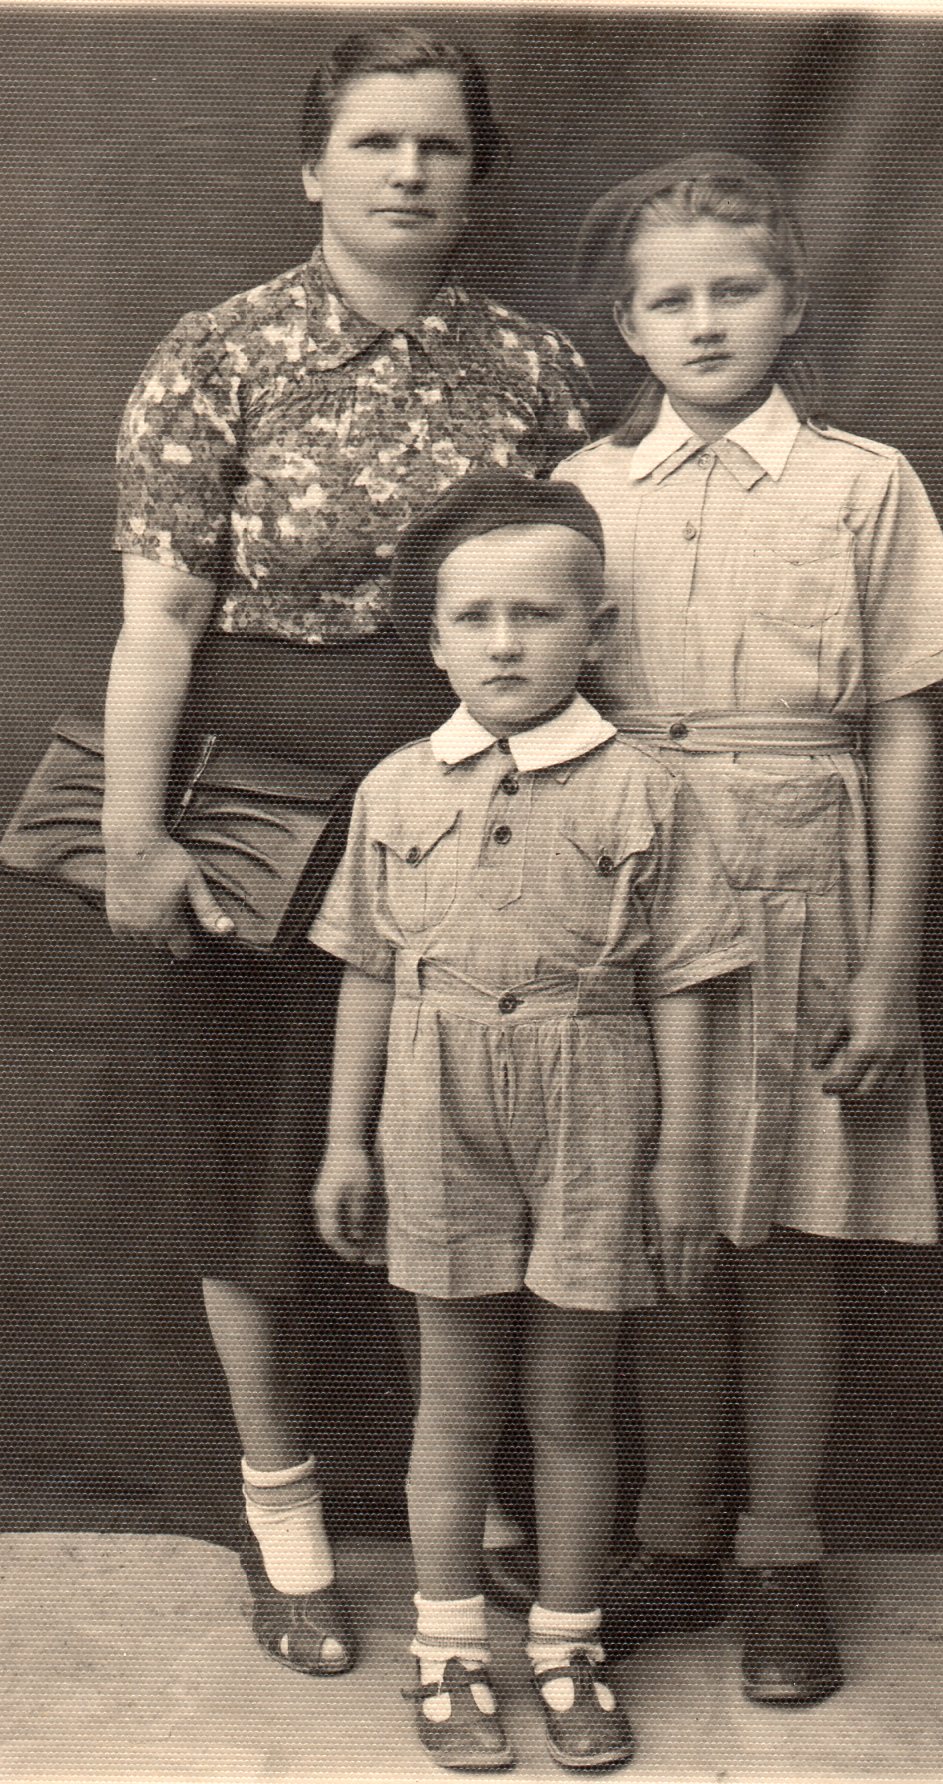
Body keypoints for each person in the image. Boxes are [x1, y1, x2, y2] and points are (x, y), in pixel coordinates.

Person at [101, 27, 591, 1676]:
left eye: (439, 147)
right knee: (253, 1165)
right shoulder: (217, 354)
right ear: (312, 167)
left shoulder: (531, 368)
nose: (407, 174)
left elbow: (576, 613)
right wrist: (133, 839)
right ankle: (285, 1510)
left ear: (475, 174)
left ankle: (479, 1515)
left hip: (473, 811)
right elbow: (160, 617)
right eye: (375, 144)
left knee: (448, 1147)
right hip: (253, 815)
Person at [544, 152, 943, 1702]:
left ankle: (781, 1551)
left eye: (735, 289)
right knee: (672, 1236)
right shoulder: (584, 493)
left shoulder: (863, 484)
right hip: (635, 899)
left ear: (790, 303)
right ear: (628, 328)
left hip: (808, 887)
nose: (706, 319)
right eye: (671, 300)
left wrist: (888, 966)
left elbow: (908, 730)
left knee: (791, 1238)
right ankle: (672, 1540)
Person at [309, 470, 754, 1770]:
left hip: (593, 1096)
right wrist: (345, 1137)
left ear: (593, 631)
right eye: (475, 618)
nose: (504, 643)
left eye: (535, 615)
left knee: (569, 1405)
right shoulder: (397, 788)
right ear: (434, 638)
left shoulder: (643, 791)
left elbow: (678, 985)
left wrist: (676, 1160)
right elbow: (366, 971)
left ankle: (565, 1647)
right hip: (432, 1100)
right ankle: (446, 1659)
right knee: (452, 1405)